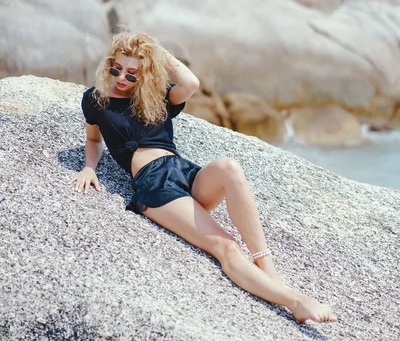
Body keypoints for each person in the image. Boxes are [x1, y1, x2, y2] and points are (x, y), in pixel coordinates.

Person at [72, 30, 337, 325]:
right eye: (116, 69)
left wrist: (159, 54)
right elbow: (94, 140)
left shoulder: (155, 96)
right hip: (154, 186)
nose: (122, 78)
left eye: (132, 74)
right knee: (225, 246)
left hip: (183, 171)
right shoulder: (95, 101)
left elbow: (191, 83)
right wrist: (89, 167)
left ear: (144, 73)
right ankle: (294, 301)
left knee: (229, 168)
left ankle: (268, 269)